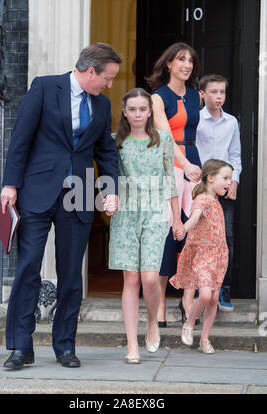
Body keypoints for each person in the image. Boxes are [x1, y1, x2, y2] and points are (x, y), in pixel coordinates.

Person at [0, 43, 122, 369]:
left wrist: (111, 189)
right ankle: (20, 347)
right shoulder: (43, 86)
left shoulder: (101, 104)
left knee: (71, 275)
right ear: (90, 71)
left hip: (79, 195)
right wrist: (10, 185)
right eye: (107, 77)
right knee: (28, 268)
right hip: (38, 191)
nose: (109, 84)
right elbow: (20, 138)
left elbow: (106, 152)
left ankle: (65, 345)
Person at [108, 88, 184, 364]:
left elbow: (170, 180)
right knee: (131, 279)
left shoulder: (163, 139)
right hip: (126, 215)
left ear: (150, 112)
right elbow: (109, 174)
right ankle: (132, 345)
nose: (138, 114)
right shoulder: (115, 141)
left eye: (143, 109)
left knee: (151, 278)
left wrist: (176, 218)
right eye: (133, 109)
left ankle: (152, 320)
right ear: (125, 112)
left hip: (155, 213)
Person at [146, 43, 202, 327]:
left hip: (194, 165)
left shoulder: (195, 97)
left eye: (190, 60)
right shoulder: (158, 98)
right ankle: (159, 307)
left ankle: (187, 300)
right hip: (171, 167)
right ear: (168, 64)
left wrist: (200, 168)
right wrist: (186, 165)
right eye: (181, 59)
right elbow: (165, 138)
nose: (187, 65)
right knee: (168, 237)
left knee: (194, 234)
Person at [170, 159, 233, 353]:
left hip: (219, 256)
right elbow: (194, 218)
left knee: (213, 299)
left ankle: (205, 338)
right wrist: (183, 228)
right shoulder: (203, 200)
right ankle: (190, 322)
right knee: (205, 294)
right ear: (210, 178)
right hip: (203, 255)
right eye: (225, 178)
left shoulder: (215, 200)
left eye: (229, 179)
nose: (229, 183)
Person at [196, 74, 242, 311]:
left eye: (222, 92)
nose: (219, 97)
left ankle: (223, 290)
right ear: (202, 94)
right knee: (196, 238)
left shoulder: (231, 122)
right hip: (200, 189)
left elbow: (235, 155)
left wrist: (233, 181)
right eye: (213, 92)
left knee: (226, 239)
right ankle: (196, 289)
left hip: (223, 188)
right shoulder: (196, 120)